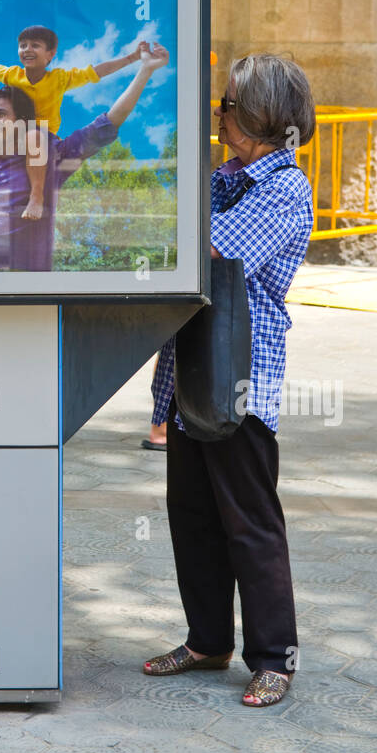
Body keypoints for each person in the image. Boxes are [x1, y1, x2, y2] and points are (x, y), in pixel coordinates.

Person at [143, 54, 315, 707]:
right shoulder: (230, 176)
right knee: (190, 515)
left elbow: (210, 247)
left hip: (240, 380)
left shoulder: (281, 188)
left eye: (225, 104)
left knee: (249, 522)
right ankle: (207, 639)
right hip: (193, 378)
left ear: (259, 117)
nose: (218, 113)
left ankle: (274, 657)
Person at [0, 38, 170, 271]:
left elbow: (108, 123)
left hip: (18, 279)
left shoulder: (52, 160)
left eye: (0, 114)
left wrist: (145, 69)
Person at [0, 26, 149, 229]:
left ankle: (36, 196)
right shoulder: (12, 74)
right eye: (23, 45)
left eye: (35, 45)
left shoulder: (60, 78)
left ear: (50, 54)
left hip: (43, 138)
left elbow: (97, 71)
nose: (27, 49)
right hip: (11, 136)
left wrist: (132, 58)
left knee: (34, 135)